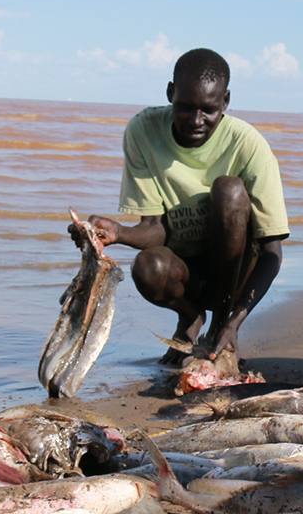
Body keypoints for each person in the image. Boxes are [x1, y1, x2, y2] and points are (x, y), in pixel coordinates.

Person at [78, 48, 289, 363]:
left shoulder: (248, 145)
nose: (196, 120)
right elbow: (154, 229)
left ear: (225, 102)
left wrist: (233, 321)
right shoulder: (144, 131)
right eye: (185, 107)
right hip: (187, 274)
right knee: (148, 266)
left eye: (208, 110)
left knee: (228, 190)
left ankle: (218, 325)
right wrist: (117, 233)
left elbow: (271, 252)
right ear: (169, 93)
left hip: (234, 275)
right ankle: (190, 318)